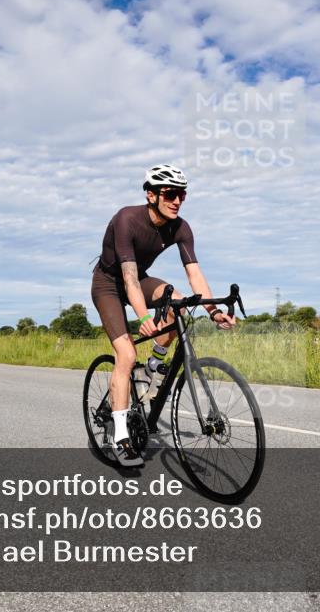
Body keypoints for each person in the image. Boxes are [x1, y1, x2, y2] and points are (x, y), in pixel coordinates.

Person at [91, 164, 236, 467]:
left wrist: (213, 311)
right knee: (127, 356)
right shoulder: (127, 219)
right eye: (170, 194)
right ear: (151, 195)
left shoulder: (180, 227)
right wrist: (144, 318)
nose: (177, 201)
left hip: (140, 280)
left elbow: (194, 273)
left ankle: (154, 365)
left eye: (182, 194)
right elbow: (128, 279)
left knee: (180, 302)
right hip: (108, 285)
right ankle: (120, 435)